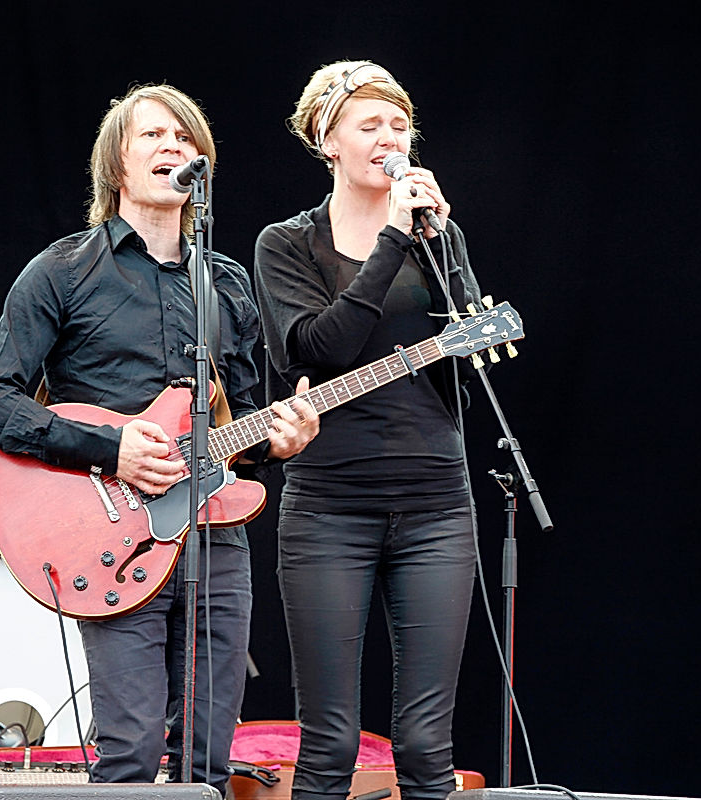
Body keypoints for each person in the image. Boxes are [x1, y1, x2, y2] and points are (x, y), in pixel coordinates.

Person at [0, 83, 319, 796]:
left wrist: (277, 439)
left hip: (215, 538)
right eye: (153, 137)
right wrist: (109, 450)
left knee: (209, 758)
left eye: (186, 139)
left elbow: (236, 426)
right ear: (116, 167)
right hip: (110, 535)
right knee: (128, 750)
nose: (174, 148)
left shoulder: (227, 282)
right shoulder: (63, 270)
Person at [253, 61, 483, 800]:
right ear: (327, 140)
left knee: (425, 743)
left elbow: (471, 354)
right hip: (329, 507)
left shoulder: (435, 233)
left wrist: (437, 243)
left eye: (398, 123)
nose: (390, 138)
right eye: (369, 124)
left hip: (436, 502)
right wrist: (390, 241)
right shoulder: (286, 244)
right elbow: (320, 349)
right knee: (330, 743)